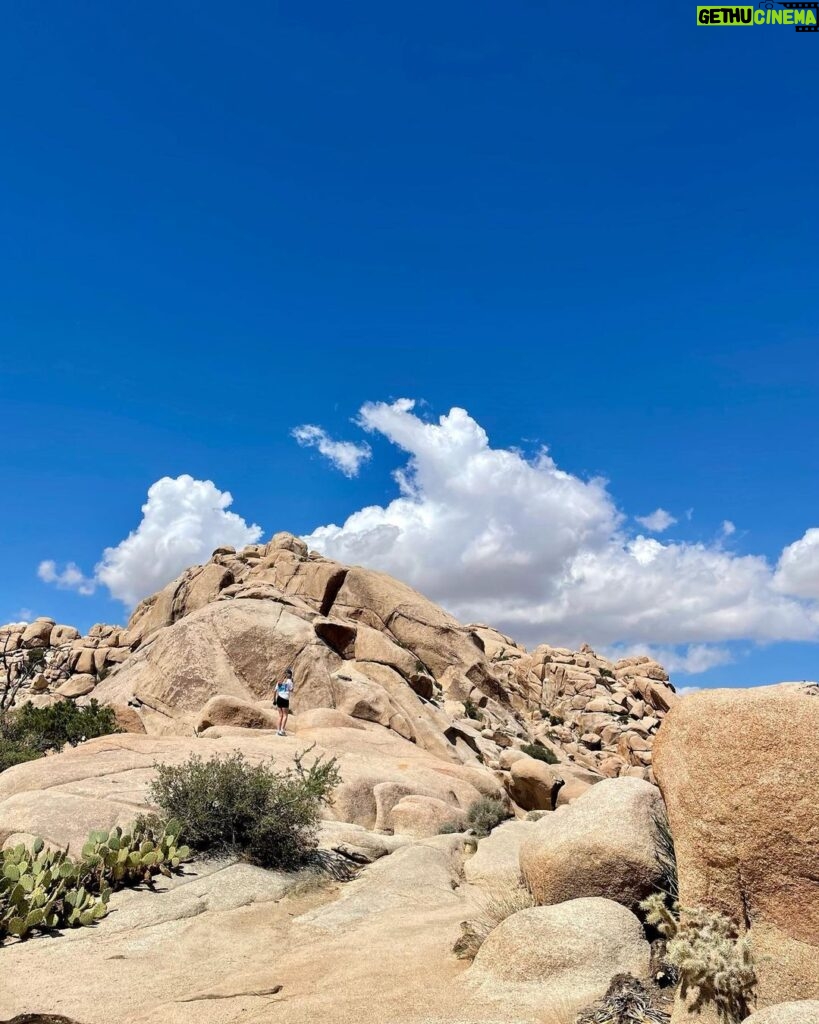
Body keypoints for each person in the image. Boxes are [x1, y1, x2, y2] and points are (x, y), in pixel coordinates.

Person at [274, 667, 294, 736]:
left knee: (280, 715)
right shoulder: (289, 682)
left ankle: (278, 731)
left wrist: (274, 700)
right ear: (289, 675)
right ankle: (282, 731)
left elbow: (275, 691)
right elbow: (291, 690)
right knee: (285, 715)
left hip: (279, 698)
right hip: (285, 699)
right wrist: (292, 682)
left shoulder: (279, 682)